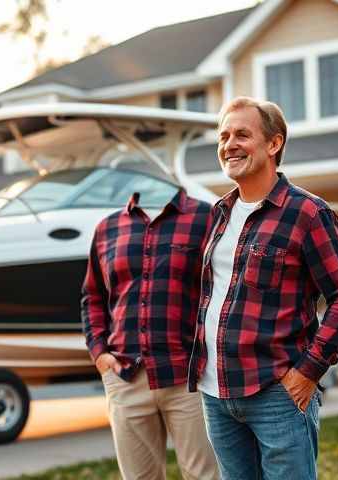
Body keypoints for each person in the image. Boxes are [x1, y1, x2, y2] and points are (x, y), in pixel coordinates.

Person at [188, 96, 338, 480]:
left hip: (277, 394)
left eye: (241, 134)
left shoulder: (307, 212)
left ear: (274, 144)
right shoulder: (219, 214)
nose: (229, 144)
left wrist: (310, 370)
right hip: (216, 395)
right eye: (223, 136)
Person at [81, 187, 219, 480]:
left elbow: (225, 288)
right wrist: (100, 354)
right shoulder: (107, 228)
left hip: (189, 378)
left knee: (204, 476)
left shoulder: (207, 217)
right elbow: (92, 296)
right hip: (125, 376)